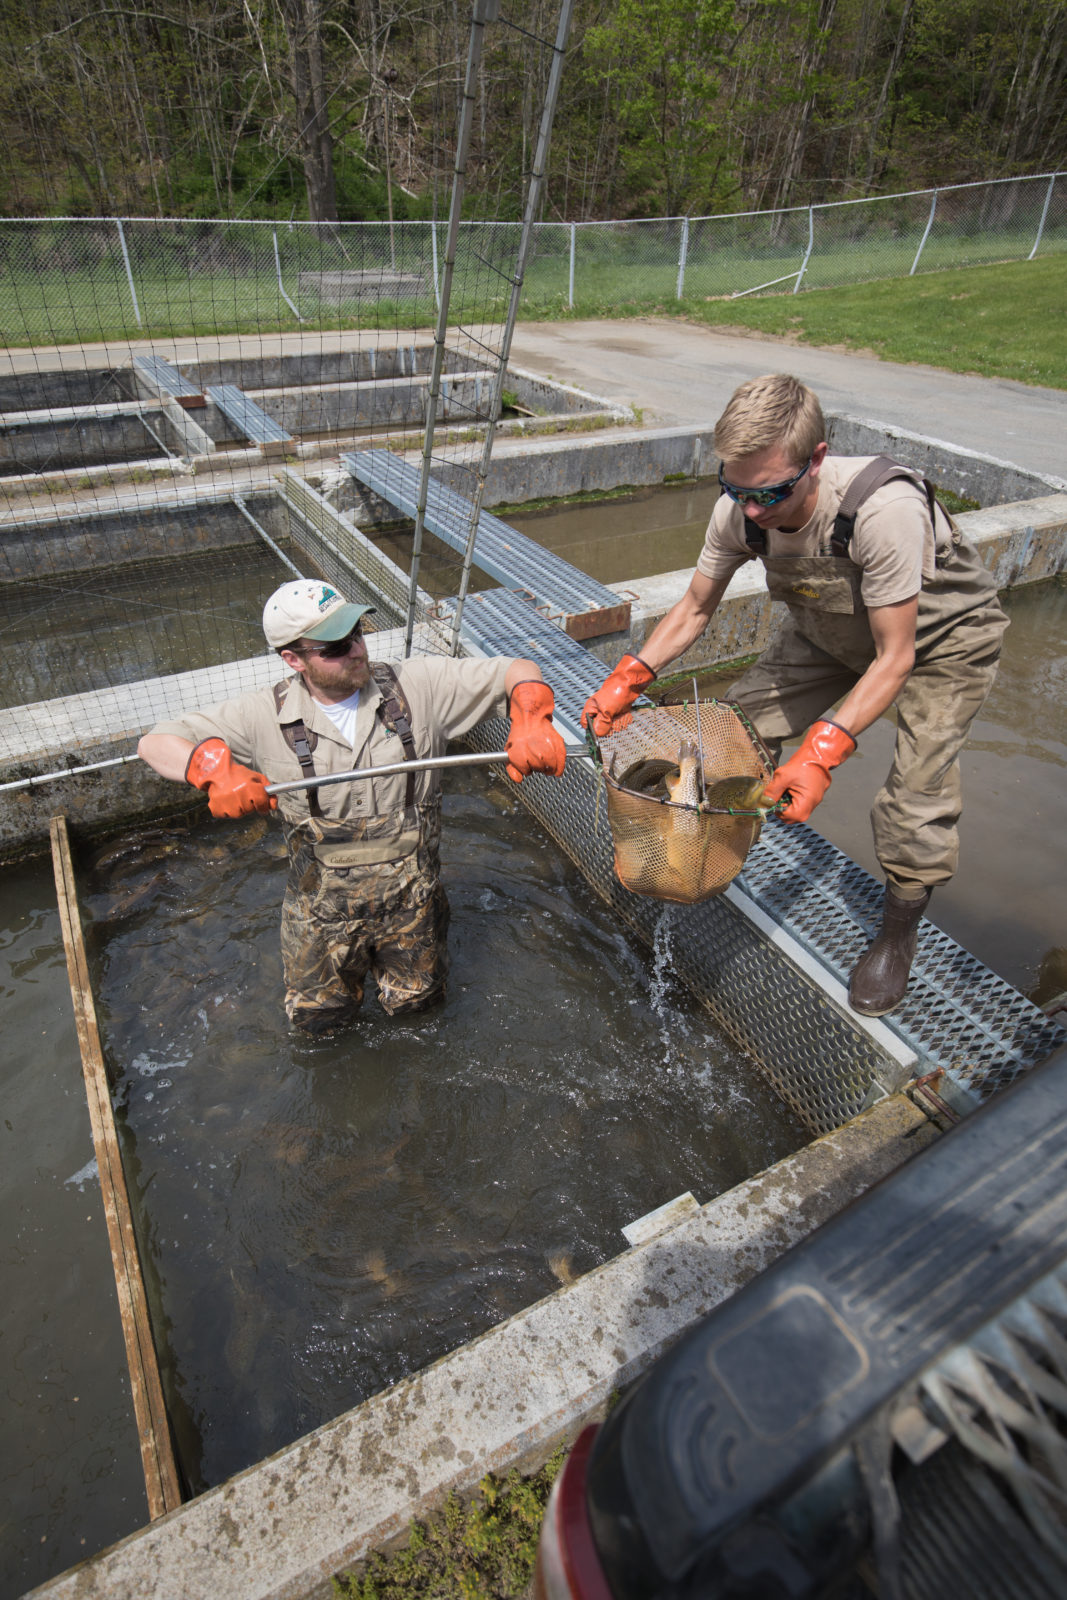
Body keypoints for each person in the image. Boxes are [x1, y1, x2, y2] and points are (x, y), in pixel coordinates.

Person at [582, 373, 1008, 1017]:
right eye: (735, 489)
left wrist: (821, 752)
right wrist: (629, 675)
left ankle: (897, 936)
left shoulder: (880, 510)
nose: (752, 510)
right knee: (732, 733)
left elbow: (897, 657)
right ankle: (706, 852)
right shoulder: (743, 510)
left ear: (816, 458)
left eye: (771, 493)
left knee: (914, 798)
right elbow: (696, 607)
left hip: (937, 644)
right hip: (829, 631)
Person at [139, 579, 568, 1034]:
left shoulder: (419, 686)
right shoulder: (259, 717)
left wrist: (531, 714)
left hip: (414, 911)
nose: (357, 650)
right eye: (336, 647)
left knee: (420, 1021)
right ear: (293, 659)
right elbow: (154, 742)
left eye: (358, 633)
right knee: (319, 1031)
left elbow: (518, 668)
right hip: (319, 924)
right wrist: (211, 770)